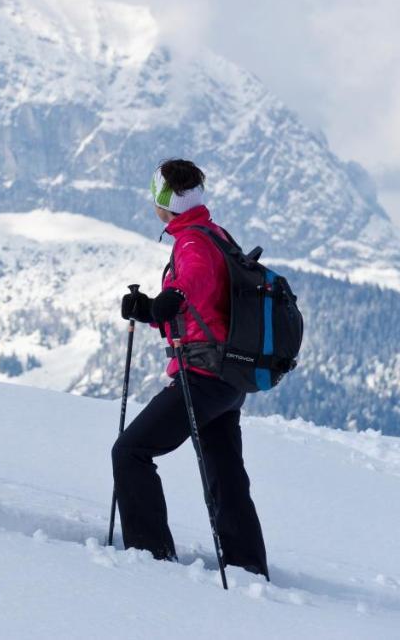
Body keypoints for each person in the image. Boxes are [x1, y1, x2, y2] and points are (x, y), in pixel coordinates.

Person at [112, 158, 269, 579]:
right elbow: (200, 305)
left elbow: (191, 287)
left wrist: (157, 303)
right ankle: (247, 565)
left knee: (130, 452)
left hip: (202, 376)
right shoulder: (215, 234)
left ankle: (151, 558)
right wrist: (155, 310)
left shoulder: (193, 244)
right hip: (228, 377)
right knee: (224, 470)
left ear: (164, 203)